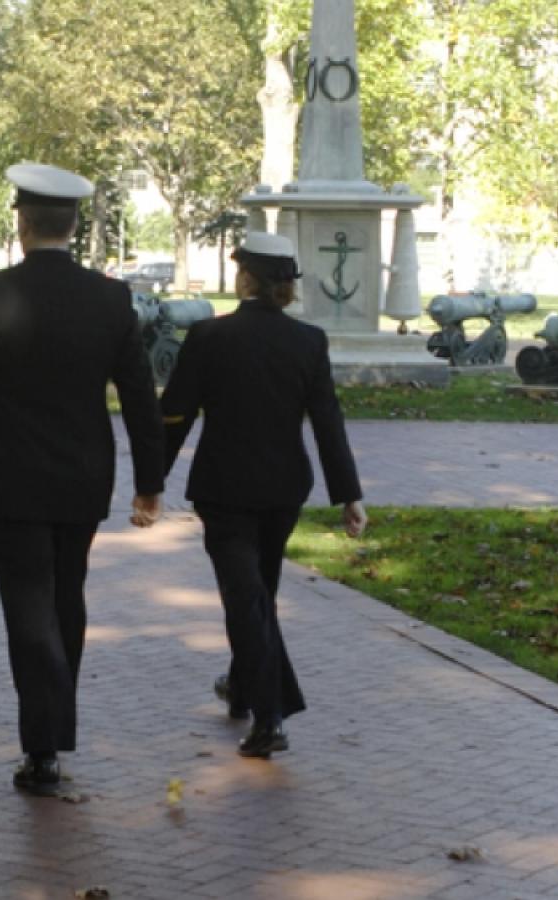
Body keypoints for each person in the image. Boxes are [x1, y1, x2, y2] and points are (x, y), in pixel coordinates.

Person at [0, 162, 165, 797]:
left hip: (13, 474)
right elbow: (140, 397)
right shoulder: (111, 298)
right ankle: (52, 731)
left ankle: (42, 745)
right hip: (84, 473)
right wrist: (150, 482)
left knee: (28, 608)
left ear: (23, 221)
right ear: (73, 224)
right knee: (67, 598)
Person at [157, 231, 368, 760]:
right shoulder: (308, 342)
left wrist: (149, 480)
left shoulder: (207, 337)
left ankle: (270, 716)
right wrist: (348, 494)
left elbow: (176, 414)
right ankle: (242, 684)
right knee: (258, 593)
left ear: (245, 277)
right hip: (283, 490)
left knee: (245, 599)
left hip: (224, 488)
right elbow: (327, 422)